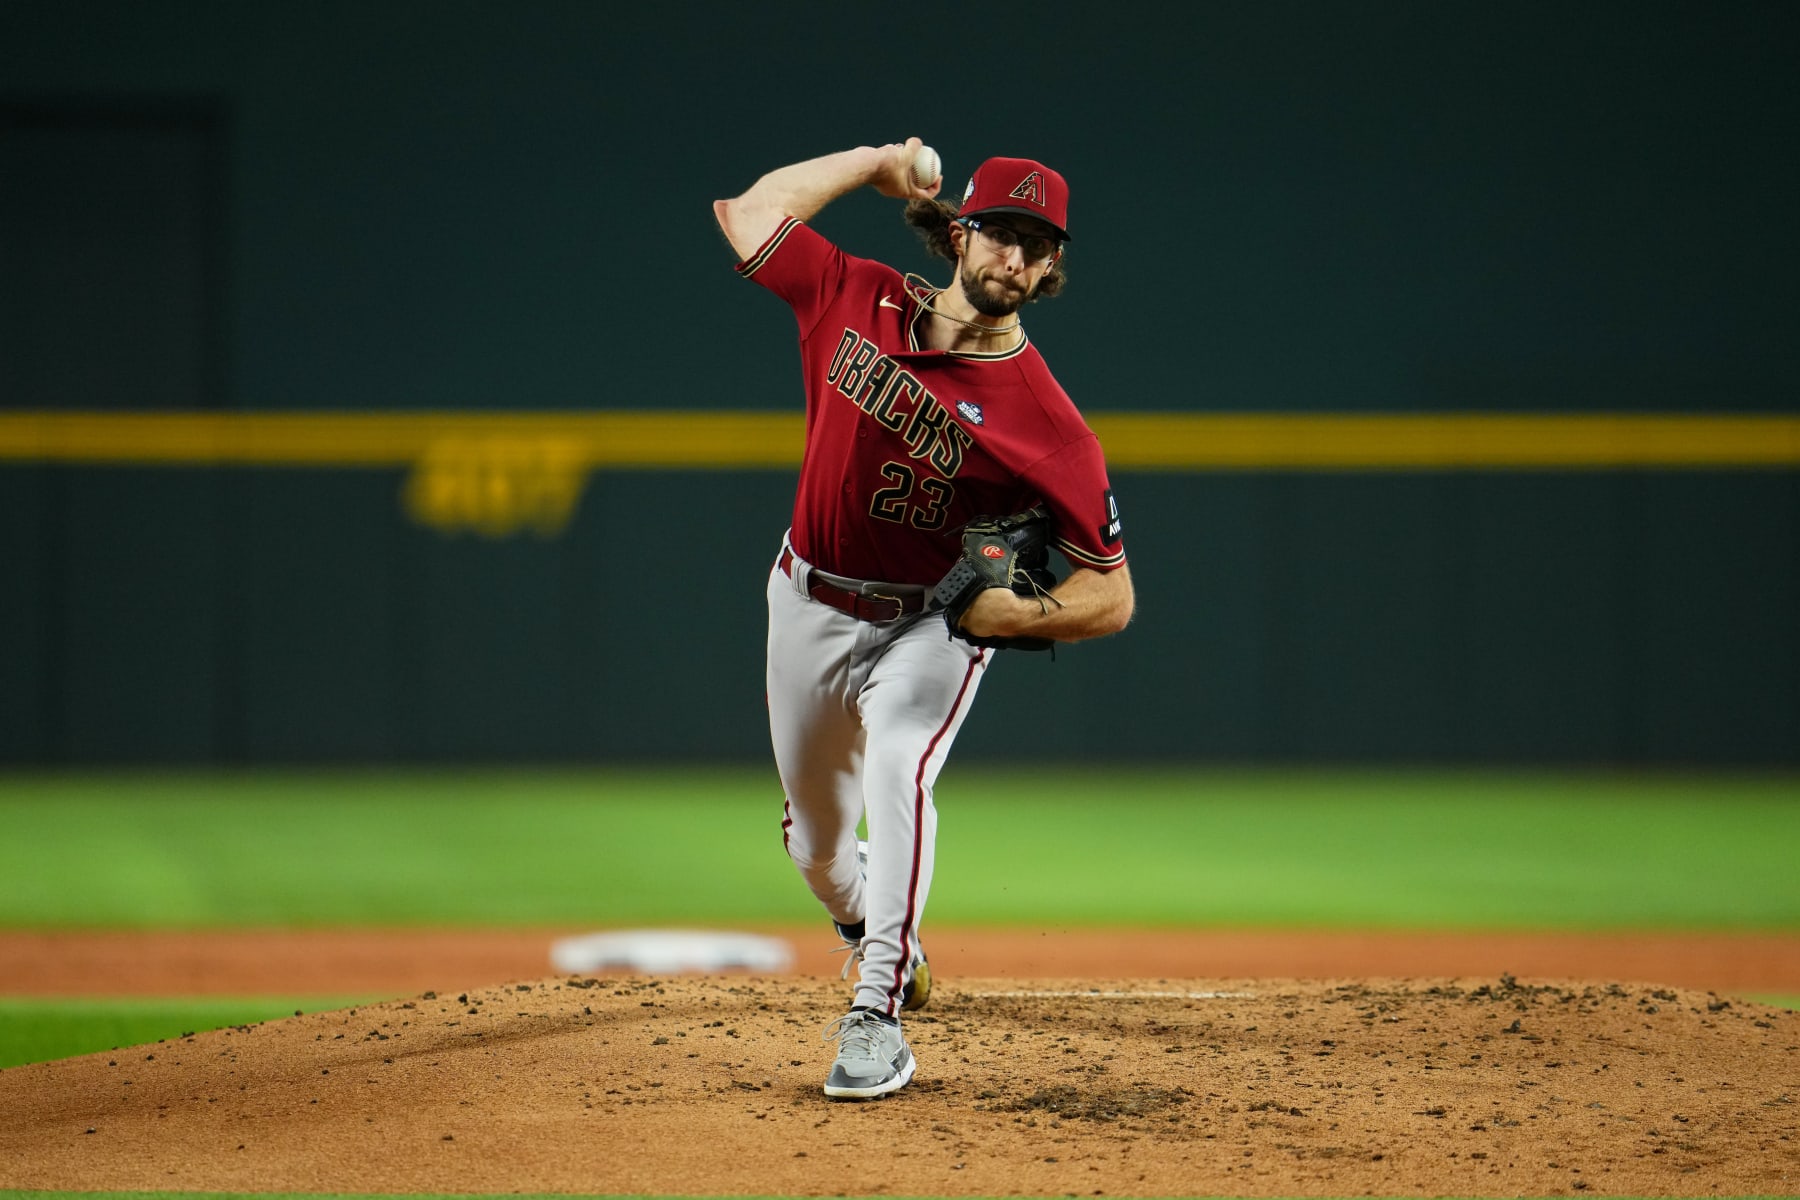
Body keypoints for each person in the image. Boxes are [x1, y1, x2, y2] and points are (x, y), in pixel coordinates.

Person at [712, 138, 1134, 1099]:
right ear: (959, 231)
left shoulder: (1052, 427)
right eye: (1000, 234)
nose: (1014, 260)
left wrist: (1010, 616)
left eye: (1037, 246)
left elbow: (1112, 592)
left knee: (900, 759)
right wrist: (867, 164)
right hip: (808, 597)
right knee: (817, 844)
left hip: (930, 624)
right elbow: (749, 210)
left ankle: (875, 1013)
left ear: (1053, 265)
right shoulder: (855, 295)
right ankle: (861, 916)